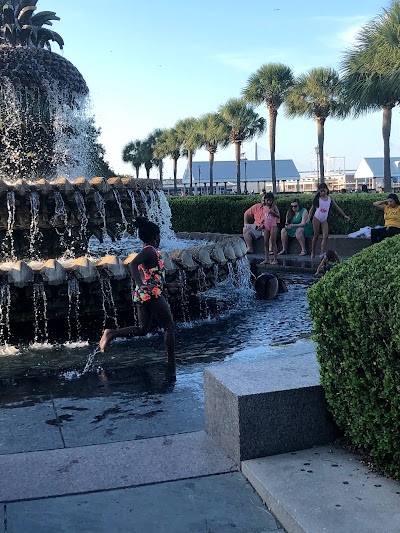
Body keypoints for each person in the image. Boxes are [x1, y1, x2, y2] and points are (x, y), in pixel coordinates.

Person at [99, 217, 179, 369]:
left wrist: (168, 285)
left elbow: (151, 276)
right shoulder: (149, 251)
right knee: (169, 326)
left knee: (143, 329)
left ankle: (111, 333)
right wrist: (141, 284)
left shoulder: (149, 251)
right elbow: (132, 264)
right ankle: (171, 362)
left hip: (144, 295)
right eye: (159, 235)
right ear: (155, 236)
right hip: (151, 295)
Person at [308, 183, 350, 259]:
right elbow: (312, 209)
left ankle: (321, 253)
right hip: (316, 218)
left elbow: (337, 207)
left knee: (325, 236)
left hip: (324, 219)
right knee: (316, 235)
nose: (322, 193)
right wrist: (308, 218)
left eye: (324, 191)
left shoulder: (330, 198)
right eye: (320, 192)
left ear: (327, 190)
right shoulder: (318, 198)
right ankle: (313, 252)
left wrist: (344, 215)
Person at [259, 192, 280, 265]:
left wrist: (273, 213)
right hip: (266, 225)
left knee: (273, 242)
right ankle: (266, 259)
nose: (269, 202)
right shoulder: (264, 207)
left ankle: (275, 259)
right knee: (265, 242)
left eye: (270, 201)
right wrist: (261, 223)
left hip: (273, 225)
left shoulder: (274, 207)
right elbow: (263, 216)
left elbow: (278, 216)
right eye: (267, 200)